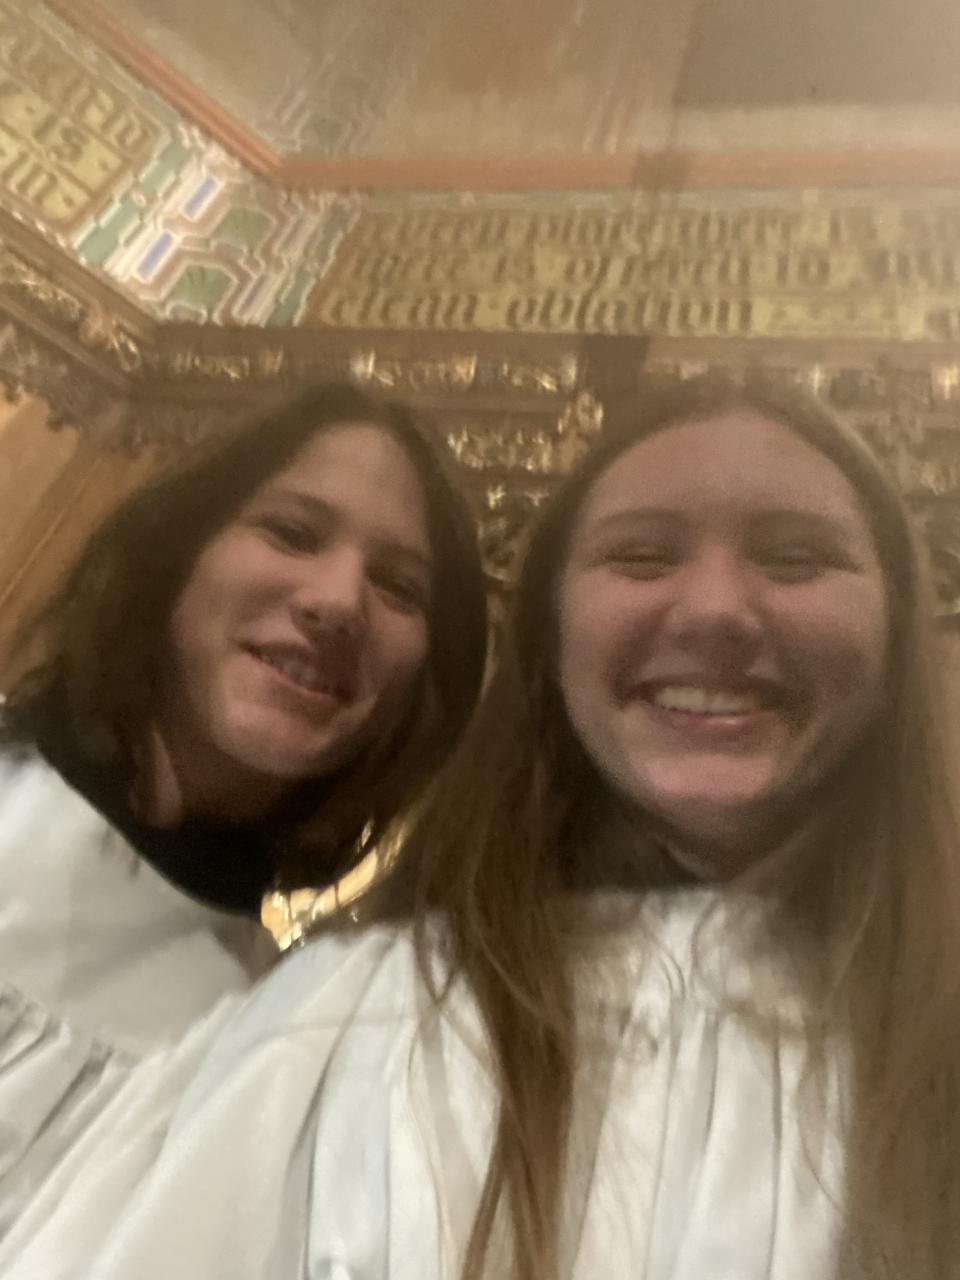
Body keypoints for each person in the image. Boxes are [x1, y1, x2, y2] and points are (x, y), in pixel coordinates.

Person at [3, 374, 959, 1280]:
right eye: (640, 555)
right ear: (546, 648)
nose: (717, 609)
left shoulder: (276, 984)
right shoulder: (341, 1021)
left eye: (796, 558)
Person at [0, 382, 487, 1240]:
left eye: (399, 585)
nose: (338, 602)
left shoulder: (279, 1046)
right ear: (181, 548)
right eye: (292, 532)